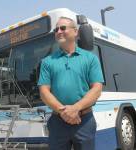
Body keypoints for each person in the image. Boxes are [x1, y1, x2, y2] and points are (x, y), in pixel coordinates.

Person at [38, 16, 104, 150]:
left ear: (76, 32)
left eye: (63, 28)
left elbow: (97, 89)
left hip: (84, 121)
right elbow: (44, 92)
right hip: (57, 123)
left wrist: (76, 108)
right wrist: (64, 112)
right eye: (56, 29)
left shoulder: (90, 58)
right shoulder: (47, 62)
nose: (58, 31)